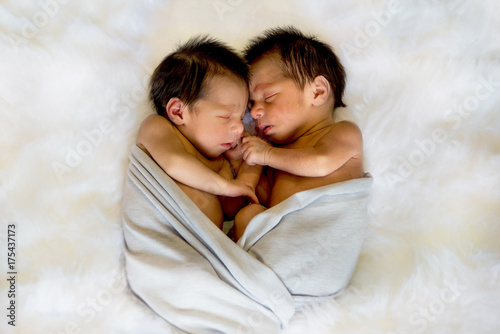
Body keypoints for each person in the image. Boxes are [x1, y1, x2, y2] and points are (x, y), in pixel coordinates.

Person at [234, 27, 365, 241]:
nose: (255, 112)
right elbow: (262, 197)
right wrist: (245, 162)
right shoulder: (277, 155)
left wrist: (266, 155)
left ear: (317, 92)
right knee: (247, 215)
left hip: (323, 239)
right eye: (251, 105)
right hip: (282, 245)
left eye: (268, 97)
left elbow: (320, 162)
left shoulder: (342, 132)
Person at [136, 36, 261, 230]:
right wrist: (224, 186)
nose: (240, 128)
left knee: (253, 217)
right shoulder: (158, 127)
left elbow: (230, 208)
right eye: (226, 116)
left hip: (204, 250)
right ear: (178, 111)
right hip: (161, 240)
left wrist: (245, 166)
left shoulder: (220, 162)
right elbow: (173, 162)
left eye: (241, 116)